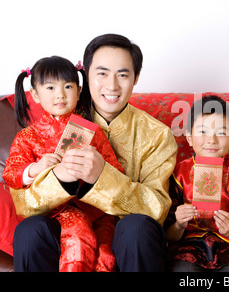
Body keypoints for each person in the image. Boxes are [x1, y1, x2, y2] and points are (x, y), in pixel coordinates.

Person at [11, 34, 178, 272]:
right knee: (30, 229)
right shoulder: (55, 118)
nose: (112, 86)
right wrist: (59, 178)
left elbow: (157, 208)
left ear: (136, 78)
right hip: (66, 233)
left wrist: (103, 177)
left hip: (126, 237)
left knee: (136, 227)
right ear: (86, 77)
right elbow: (24, 205)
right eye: (102, 73)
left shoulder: (157, 135)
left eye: (122, 74)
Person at [3, 56, 124, 272]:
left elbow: (116, 171)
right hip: (51, 211)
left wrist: (96, 171)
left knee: (105, 258)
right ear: (35, 95)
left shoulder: (92, 131)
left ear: (78, 91)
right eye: (50, 87)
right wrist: (36, 168)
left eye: (68, 86)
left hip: (95, 209)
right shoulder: (28, 136)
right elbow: (11, 173)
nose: (60, 94)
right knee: (78, 238)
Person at [164, 95, 229, 272]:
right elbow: (168, 235)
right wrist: (179, 224)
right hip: (187, 247)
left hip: (228, 247)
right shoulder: (178, 174)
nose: (212, 140)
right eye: (202, 131)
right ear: (189, 137)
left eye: (222, 133)